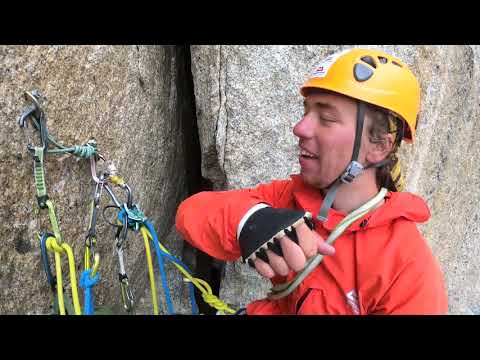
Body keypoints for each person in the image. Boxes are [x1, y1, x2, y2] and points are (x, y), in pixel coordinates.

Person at [176, 48, 448, 315]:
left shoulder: (407, 269)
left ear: (379, 147)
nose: (300, 128)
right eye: (306, 112)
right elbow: (191, 214)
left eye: (326, 118)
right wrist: (249, 220)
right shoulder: (292, 199)